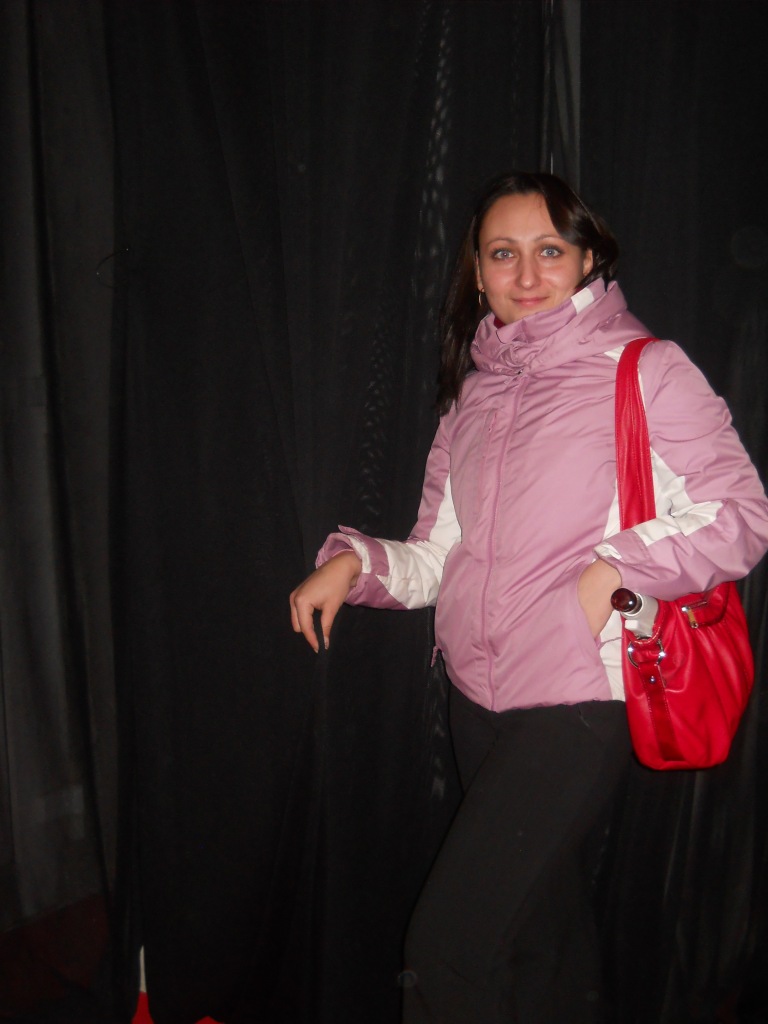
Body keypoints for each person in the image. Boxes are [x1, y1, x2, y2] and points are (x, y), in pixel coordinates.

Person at [289, 171, 768, 1023]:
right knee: (543, 934)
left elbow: (741, 515)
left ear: (587, 259)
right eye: (502, 253)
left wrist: (610, 572)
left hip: (578, 699)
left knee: (447, 949)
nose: (527, 272)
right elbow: (440, 556)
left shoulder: (646, 371)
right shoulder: (471, 396)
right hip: (475, 700)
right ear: (477, 274)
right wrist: (355, 565)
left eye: (550, 249)